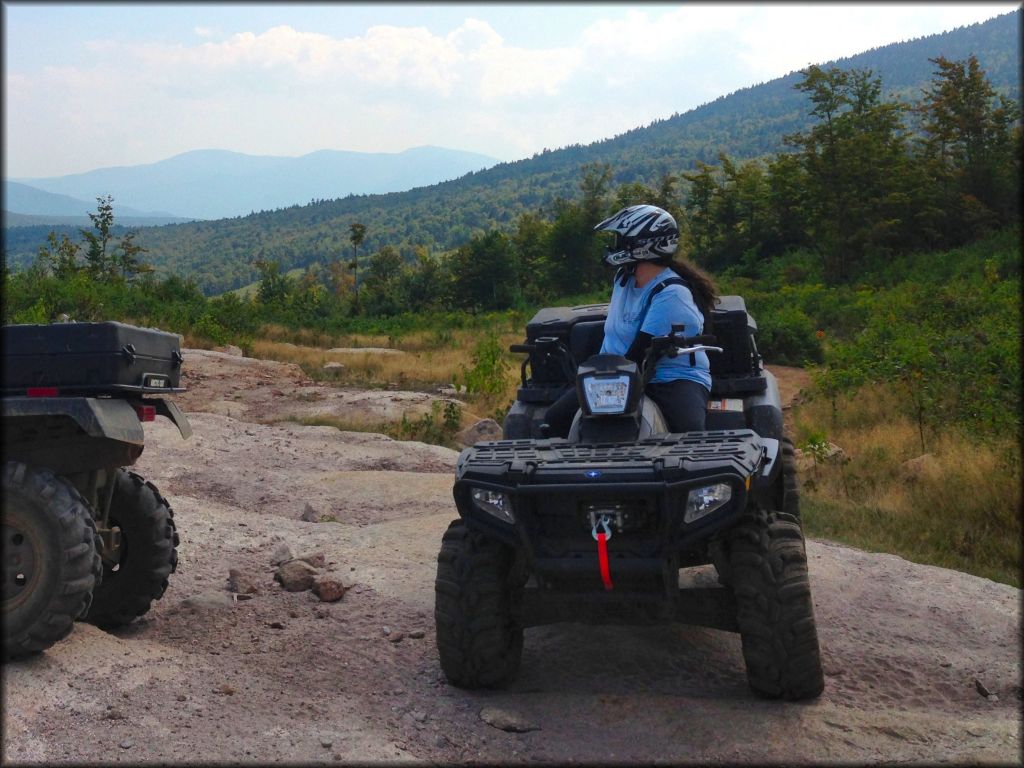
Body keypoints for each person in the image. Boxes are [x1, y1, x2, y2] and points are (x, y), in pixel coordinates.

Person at [544, 203, 717, 437]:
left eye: (621, 241)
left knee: (689, 433)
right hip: (613, 373)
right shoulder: (623, 279)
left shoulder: (672, 293)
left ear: (641, 245)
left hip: (668, 378)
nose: (614, 247)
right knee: (554, 419)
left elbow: (640, 353)